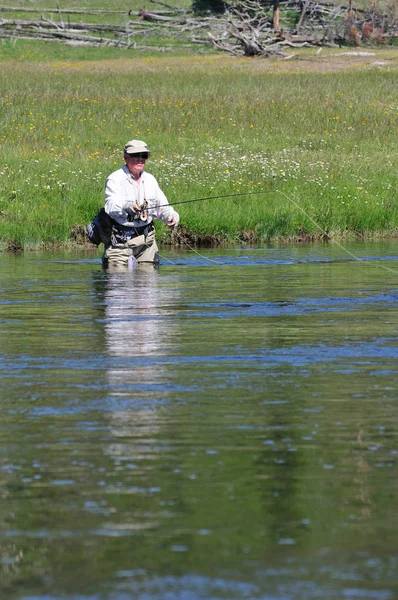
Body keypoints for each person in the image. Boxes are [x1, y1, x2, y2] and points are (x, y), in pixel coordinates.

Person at [102, 139, 179, 269]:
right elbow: (110, 206)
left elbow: (162, 207)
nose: (140, 159)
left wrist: (172, 216)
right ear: (125, 157)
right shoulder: (115, 179)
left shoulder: (150, 180)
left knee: (147, 283)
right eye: (135, 156)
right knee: (118, 284)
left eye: (143, 156)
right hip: (120, 244)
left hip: (147, 243)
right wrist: (126, 206)